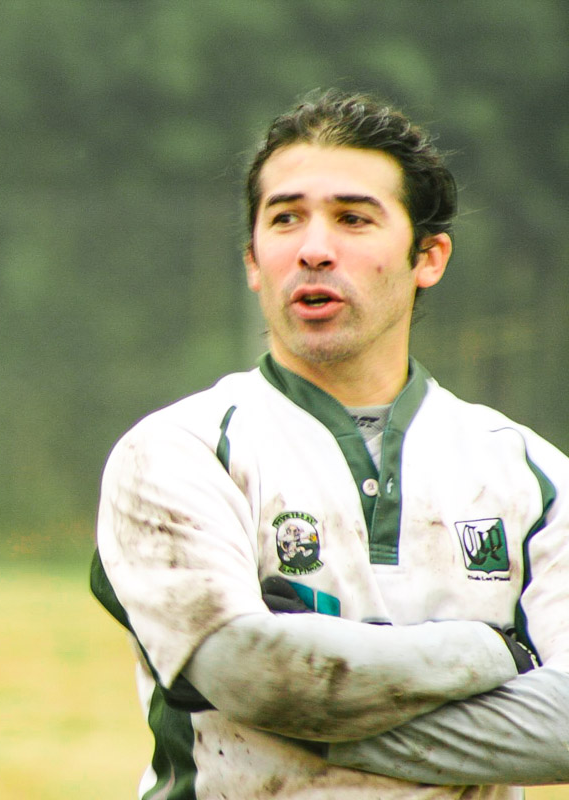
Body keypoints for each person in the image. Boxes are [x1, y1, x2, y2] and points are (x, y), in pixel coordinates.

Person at [91, 89, 569, 799]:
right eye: (286, 219)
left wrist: (309, 707)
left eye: (353, 218)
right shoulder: (176, 451)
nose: (315, 249)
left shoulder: (532, 475)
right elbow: (250, 675)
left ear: (428, 256)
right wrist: (488, 651)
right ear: (254, 260)